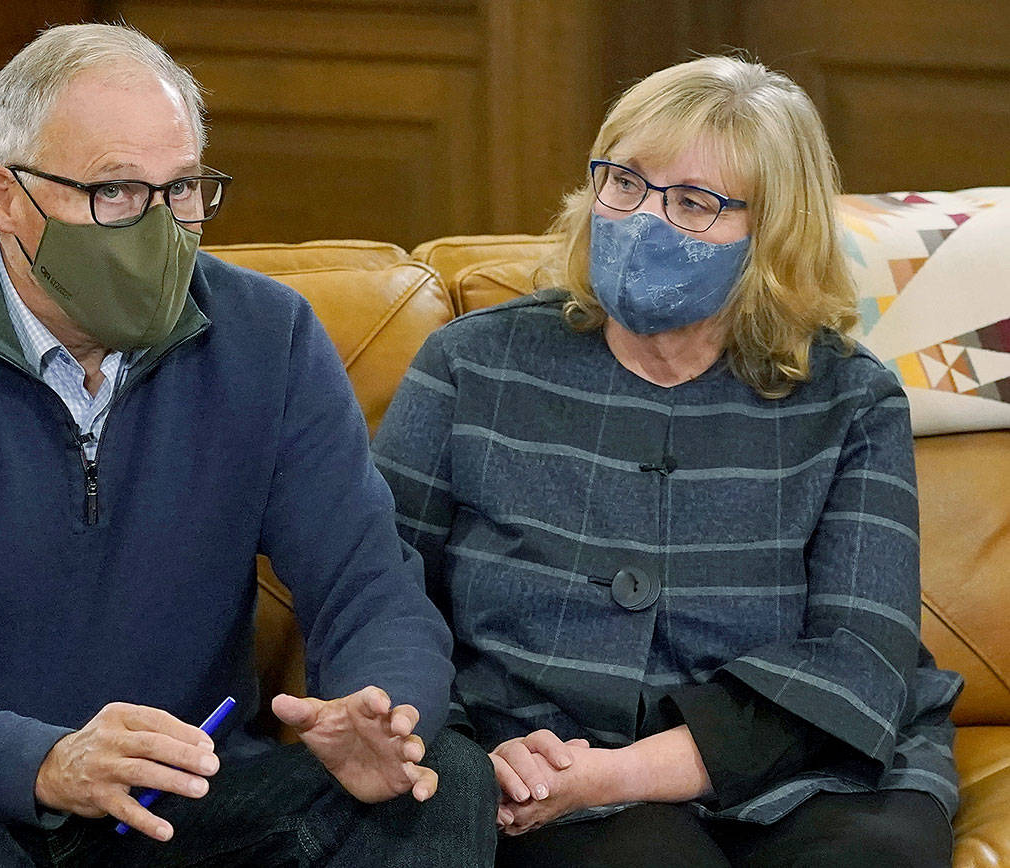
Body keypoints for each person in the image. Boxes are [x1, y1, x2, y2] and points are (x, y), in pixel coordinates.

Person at [0, 23, 497, 868]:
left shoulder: (270, 337)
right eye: (114, 192)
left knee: (444, 781)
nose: (159, 226)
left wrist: (382, 711)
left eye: (181, 191)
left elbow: (370, 587)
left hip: (179, 804)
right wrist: (46, 762)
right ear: (4, 198)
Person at [371, 56, 962, 868]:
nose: (644, 218)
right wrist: (468, 753)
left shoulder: (851, 400)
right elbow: (382, 593)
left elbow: (860, 656)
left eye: (693, 203)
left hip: (813, 765)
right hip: (548, 757)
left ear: (773, 234)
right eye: (625, 182)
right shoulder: (473, 365)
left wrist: (622, 772)